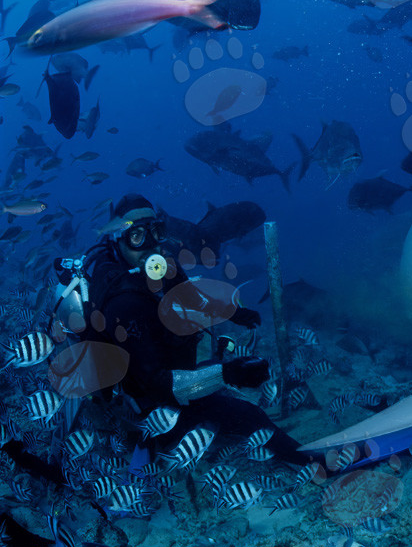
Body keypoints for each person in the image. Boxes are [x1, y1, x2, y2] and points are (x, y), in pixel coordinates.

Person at [52, 194, 311, 467]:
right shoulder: (123, 302)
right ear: (119, 238)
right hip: (147, 402)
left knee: (214, 372)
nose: (150, 245)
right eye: (137, 237)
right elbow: (159, 385)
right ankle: (319, 462)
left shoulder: (157, 265)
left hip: (159, 368)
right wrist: (229, 373)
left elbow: (191, 297)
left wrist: (236, 313)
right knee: (250, 416)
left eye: (155, 232)